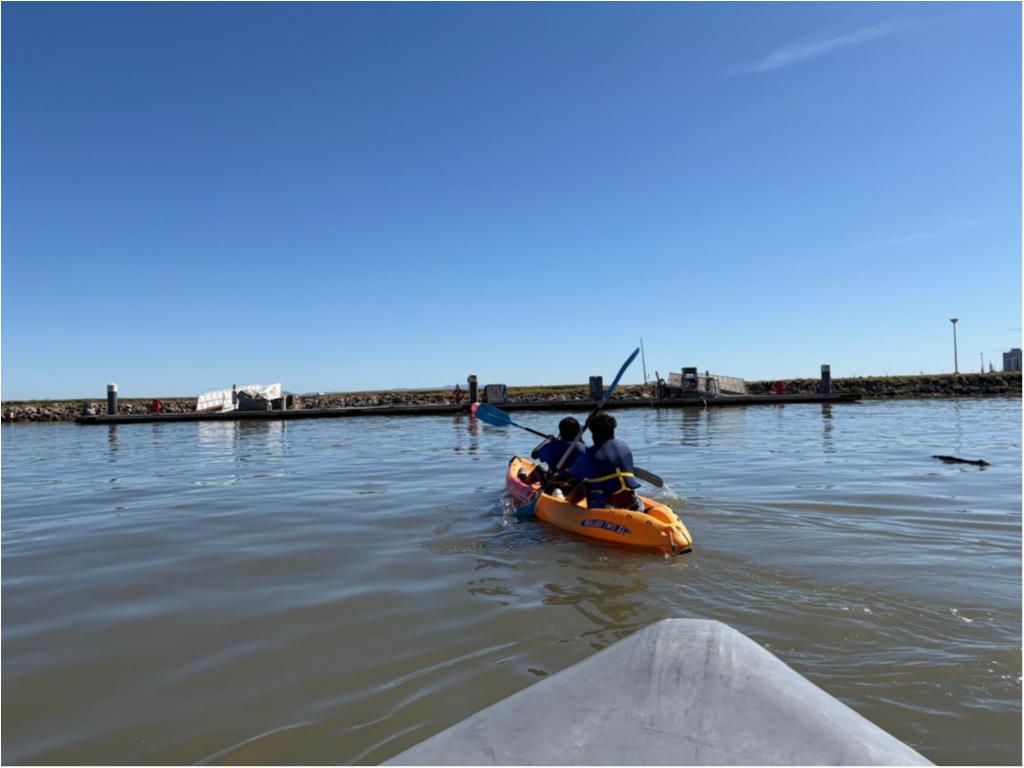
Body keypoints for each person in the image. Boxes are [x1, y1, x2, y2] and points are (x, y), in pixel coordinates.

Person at [563, 412, 643, 511]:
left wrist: (553, 478)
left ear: (593, 436)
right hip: (637, 505)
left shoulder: (591, 454)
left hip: (609, 509)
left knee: (585, 484)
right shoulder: (624, 447)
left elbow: (567, 477)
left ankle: (565, 505)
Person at [519, 417, 584, 485]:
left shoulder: (552, 446)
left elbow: (534, 454)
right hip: (576, 485)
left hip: (553, 484)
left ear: (561, 432)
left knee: (538, 469)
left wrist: (547, 440)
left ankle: (524, 480)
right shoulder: (583, 448)